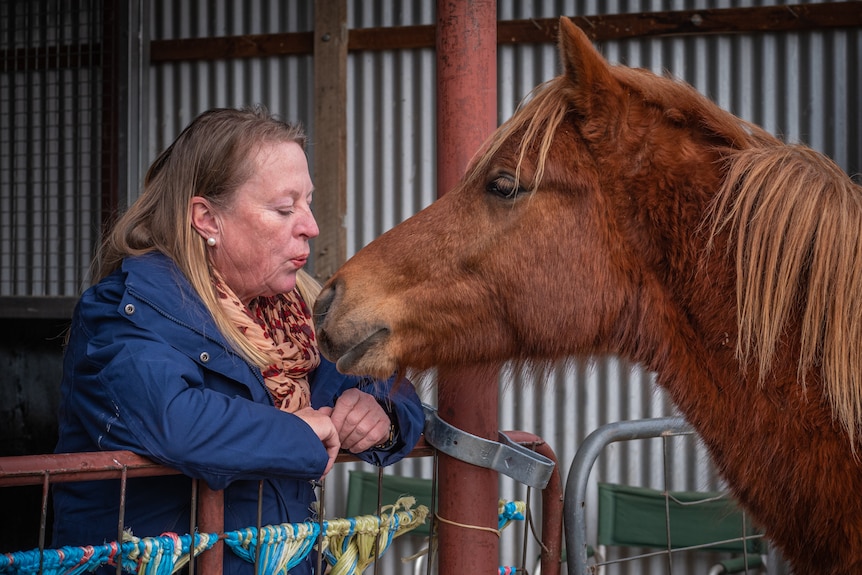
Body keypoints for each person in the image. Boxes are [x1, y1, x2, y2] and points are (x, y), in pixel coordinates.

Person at [51, 106, 425, 574]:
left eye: (308, 203)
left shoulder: (295, 313)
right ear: (207, 218)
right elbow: (175, 421)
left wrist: (381, 414)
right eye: (285, 209)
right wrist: (301, 433)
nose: (310, 225)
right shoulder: (124, 310)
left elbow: (391, 388)